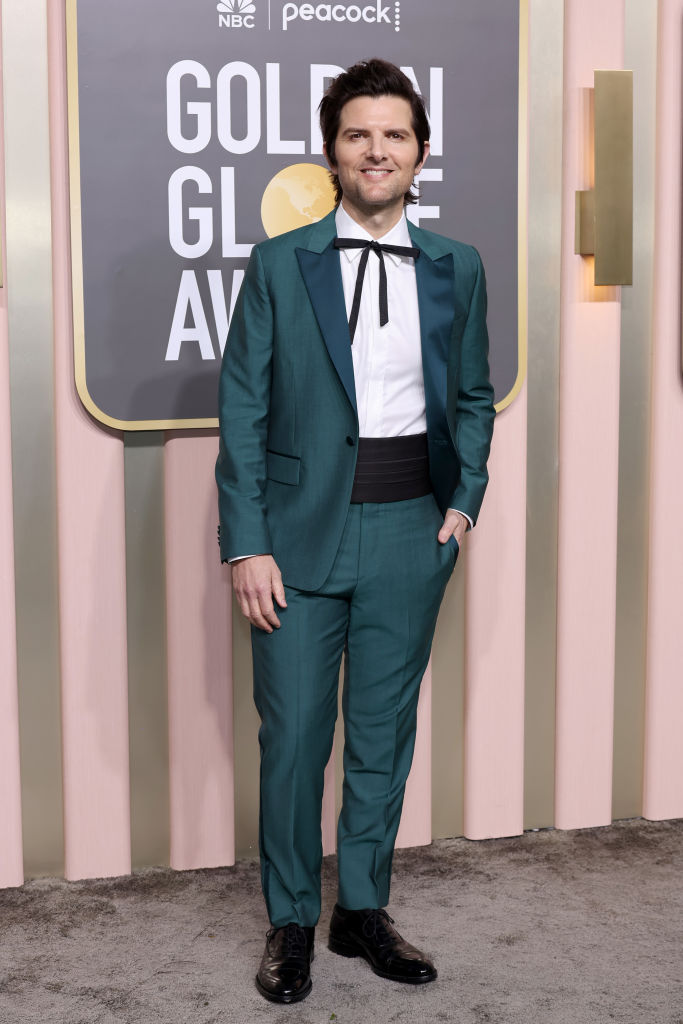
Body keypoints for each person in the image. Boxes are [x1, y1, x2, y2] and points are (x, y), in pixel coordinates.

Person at [215, 57, 495, 1004]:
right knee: (293, 739)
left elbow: (471, 396)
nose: (377, 151)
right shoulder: (277, 265)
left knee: (382, 736)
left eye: (395, 135)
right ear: (331, 152)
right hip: (292, 540)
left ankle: (360, 912)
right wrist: (245, 542)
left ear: (419, 153)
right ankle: (291, 920)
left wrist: (464, 505)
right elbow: (243, 412)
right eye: (357, 135)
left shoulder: (458, 266)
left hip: (411, 532)